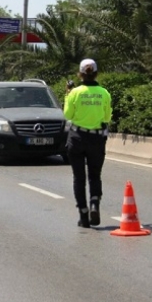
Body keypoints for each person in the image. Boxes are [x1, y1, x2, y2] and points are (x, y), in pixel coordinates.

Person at [64, 59, 112, 228]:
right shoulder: (104, 93)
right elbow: (106, 118)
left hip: (77, 137)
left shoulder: (75, 93)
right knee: (94, 176)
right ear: (96, 73)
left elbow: (68, 115)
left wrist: (68, 94)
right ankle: (94, 204)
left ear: (80, 74)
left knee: (79, 178)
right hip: (97, 139)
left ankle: (83, 215)